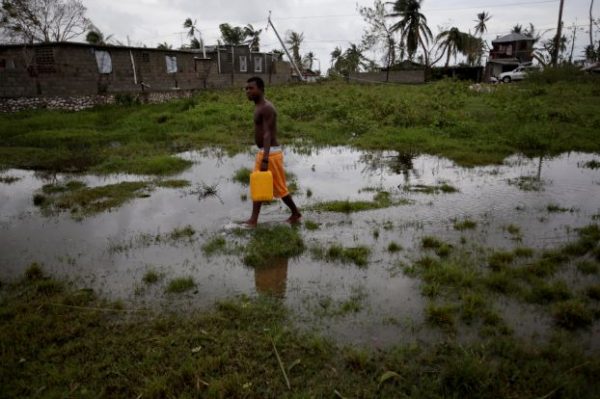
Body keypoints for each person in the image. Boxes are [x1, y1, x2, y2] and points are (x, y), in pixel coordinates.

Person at [244, 76, 301, 227]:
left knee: (280, 188)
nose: (248, 91)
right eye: (246, 88)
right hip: (266, 151)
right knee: (258, 184)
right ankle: (253, 220)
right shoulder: (259, 106)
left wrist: (265, 159)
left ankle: (295, 213)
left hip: (271, 154)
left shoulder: (267, 108)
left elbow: (268, 133)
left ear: (261, 89)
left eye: (251, 88)